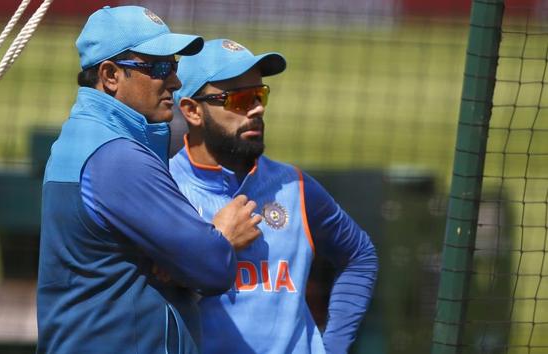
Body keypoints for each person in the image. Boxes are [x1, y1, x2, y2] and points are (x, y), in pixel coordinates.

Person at [36, 8, 262, 354]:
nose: (173, 81)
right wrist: (223, 239)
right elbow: (212, 266)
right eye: (157, 68)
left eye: (173, 67)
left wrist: (178, 258)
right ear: (110, 76)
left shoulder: (84, 137)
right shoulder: (117, 157)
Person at [170, 38, 379, 354]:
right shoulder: (164, 188)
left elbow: (360, 255)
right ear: (192, 111)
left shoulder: (294, 186)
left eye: (259, 94)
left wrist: (333, 347)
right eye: (239, 100)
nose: (256, 108)